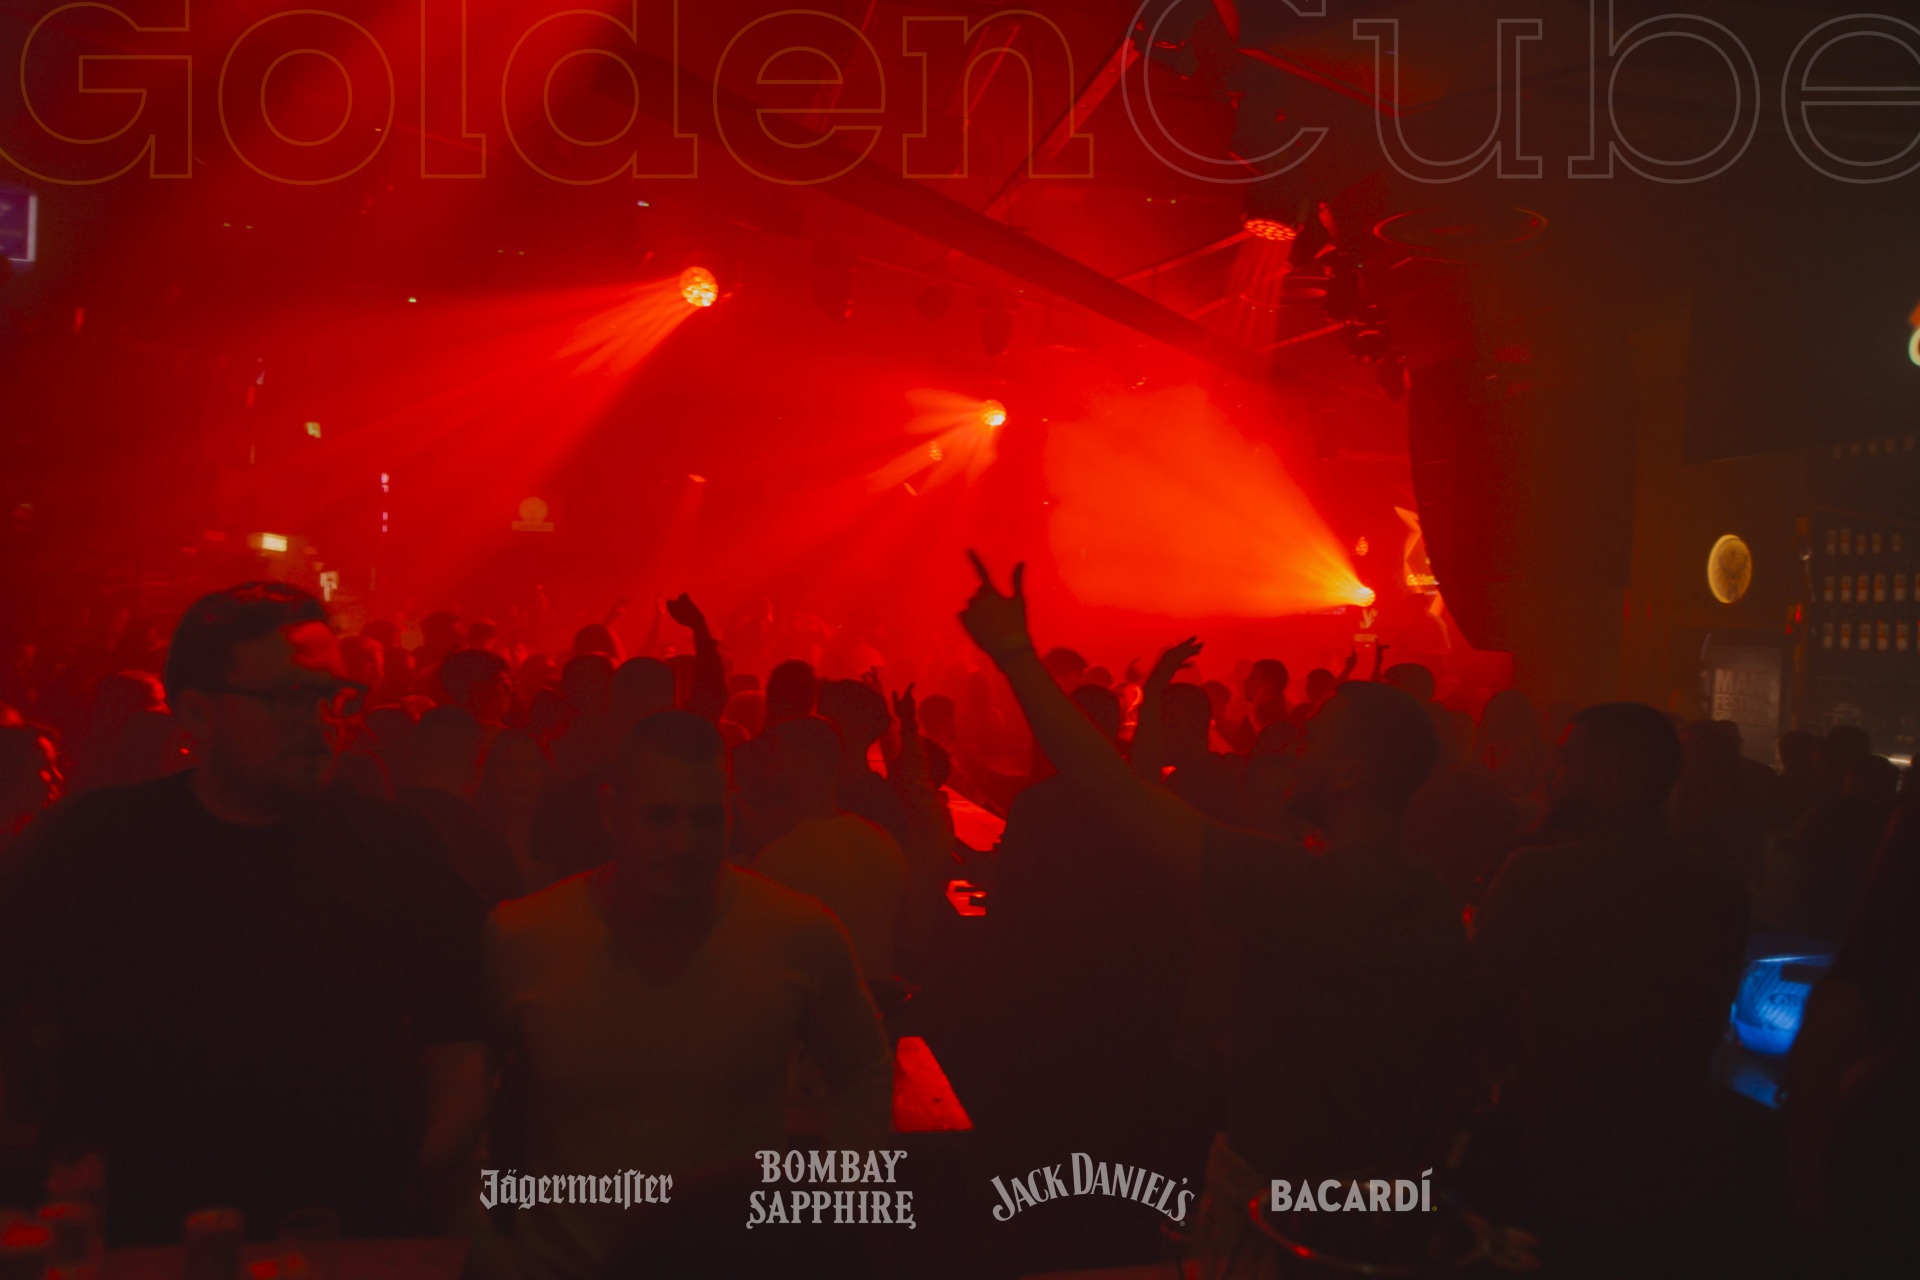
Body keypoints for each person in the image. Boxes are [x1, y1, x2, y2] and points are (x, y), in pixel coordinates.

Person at [957, 557, 1466, 1258]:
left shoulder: (1301, 885)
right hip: (1378, 1191)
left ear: (1350, 774)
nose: (1297, 752)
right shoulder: (1431, 895)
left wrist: (1015, 653)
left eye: (1313, 741)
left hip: (1282, 1200)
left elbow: (1115, 791)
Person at [0, 582, 489, 1244]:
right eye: (290, 696)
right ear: (197, 713)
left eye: (331, 696)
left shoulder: (398, 849)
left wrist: (396, 1184)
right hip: (137, 1245)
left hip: (338, 1241)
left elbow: (461, 1050)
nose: (321, 719)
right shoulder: (94, 843)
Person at [484, 712, 893, 1280]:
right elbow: (455, 1091)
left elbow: (864, 1070)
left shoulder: (797, 931)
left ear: (731, 814)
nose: (684, 843)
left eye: (706, 818)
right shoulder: (526, 936)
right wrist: (478, 1239)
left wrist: (828, 1213)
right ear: (610, 811)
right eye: (659, 817)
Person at [1469, 703, 1749, 1277]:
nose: (1549, 774)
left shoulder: (1539, 874)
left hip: (1566, 1158)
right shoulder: (1720, 886)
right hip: (1682, 1159)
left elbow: (1471, 1003)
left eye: (1564, 761)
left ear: (1605, 781)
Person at [751, 717, 908, 981]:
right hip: (870, 1002)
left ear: (802, 763)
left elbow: (761, 957)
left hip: (809, 1004)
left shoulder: (780, 860)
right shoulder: (882, 842)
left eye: (777, 759)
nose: (768, 770)